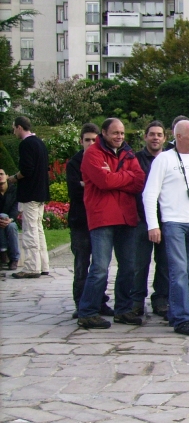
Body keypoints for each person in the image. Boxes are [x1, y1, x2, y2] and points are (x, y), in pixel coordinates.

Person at [143, 120, 189, 336]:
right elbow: (150, 193)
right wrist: (153, 225)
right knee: (178, 271)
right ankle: (182, 318)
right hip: (173, 223)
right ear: (179, 136)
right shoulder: (164, 159)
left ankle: (179, 312)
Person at [76, 118, 146, 329]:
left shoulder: (128, 152)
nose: (119, 137)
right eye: (115, 133)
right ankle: (87, 311)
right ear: (104, 133)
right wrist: (126, 176)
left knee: (128, 267)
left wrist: (115, 175)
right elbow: (103, 181)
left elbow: (139, 181)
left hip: (126, 217)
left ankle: (123, 310)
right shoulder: (93, 153)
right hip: (103, 217)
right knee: (99, 267)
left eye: (122, 133)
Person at [65, 124, 113, 318]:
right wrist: (96, 183)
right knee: (82, 264)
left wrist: (91, 183)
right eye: (87, 140)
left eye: (95, 140)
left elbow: (108, 184)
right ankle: (80, 303)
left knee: (101, 265)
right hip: (81, 221)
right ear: (81, 141)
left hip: (100, 219)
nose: (91, 143)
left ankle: (98, 300)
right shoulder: (74, 164)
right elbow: (75, 191)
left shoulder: (102, 158)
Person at [132, 121, 170, 317]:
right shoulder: (135, 159)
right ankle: (137, 300)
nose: (155, 138)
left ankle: (161, 299)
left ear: (164, 138)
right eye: (152, 134)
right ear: (145, 136)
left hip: (165, 219)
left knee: (164, 263)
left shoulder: (170, 159)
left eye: (159, 134)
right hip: (141, 219)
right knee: (139, 263)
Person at [7, 116, 49, 279]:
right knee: (38, 229)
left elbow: (27, 169)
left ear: (19, 127)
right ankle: (43, 264)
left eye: (14, 128)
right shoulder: (39, 143)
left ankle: (31, 267)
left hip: (30, 193)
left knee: (30, 230)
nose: (14, 132)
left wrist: (14, 178)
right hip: (40, 192)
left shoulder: (26, 144)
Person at [0, 169, 20, 270]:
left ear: (7, 176)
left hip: (10, 221)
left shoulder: (14, 191)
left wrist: (10, 219)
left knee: (11, 227)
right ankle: (4, 253)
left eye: (1, 174)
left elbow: (16, 208)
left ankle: (13, 258)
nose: (0, 176)